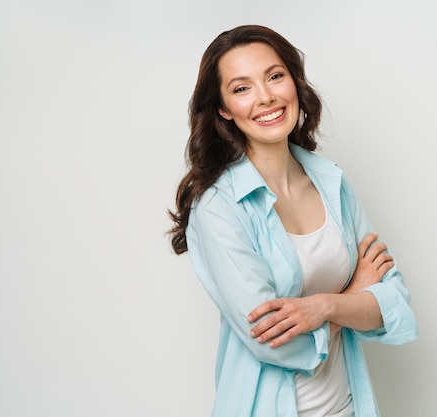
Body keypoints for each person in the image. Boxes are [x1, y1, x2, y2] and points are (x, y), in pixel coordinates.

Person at [169, 24, 418, 417]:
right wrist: (348, 301)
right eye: (241, 88)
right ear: (222, 109)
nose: (265, 97)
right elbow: (276, 342)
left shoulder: (332, 181)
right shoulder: (219, 207)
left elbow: (393, 301)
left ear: (294, 82)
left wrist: (322, 308)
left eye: (274, 76)